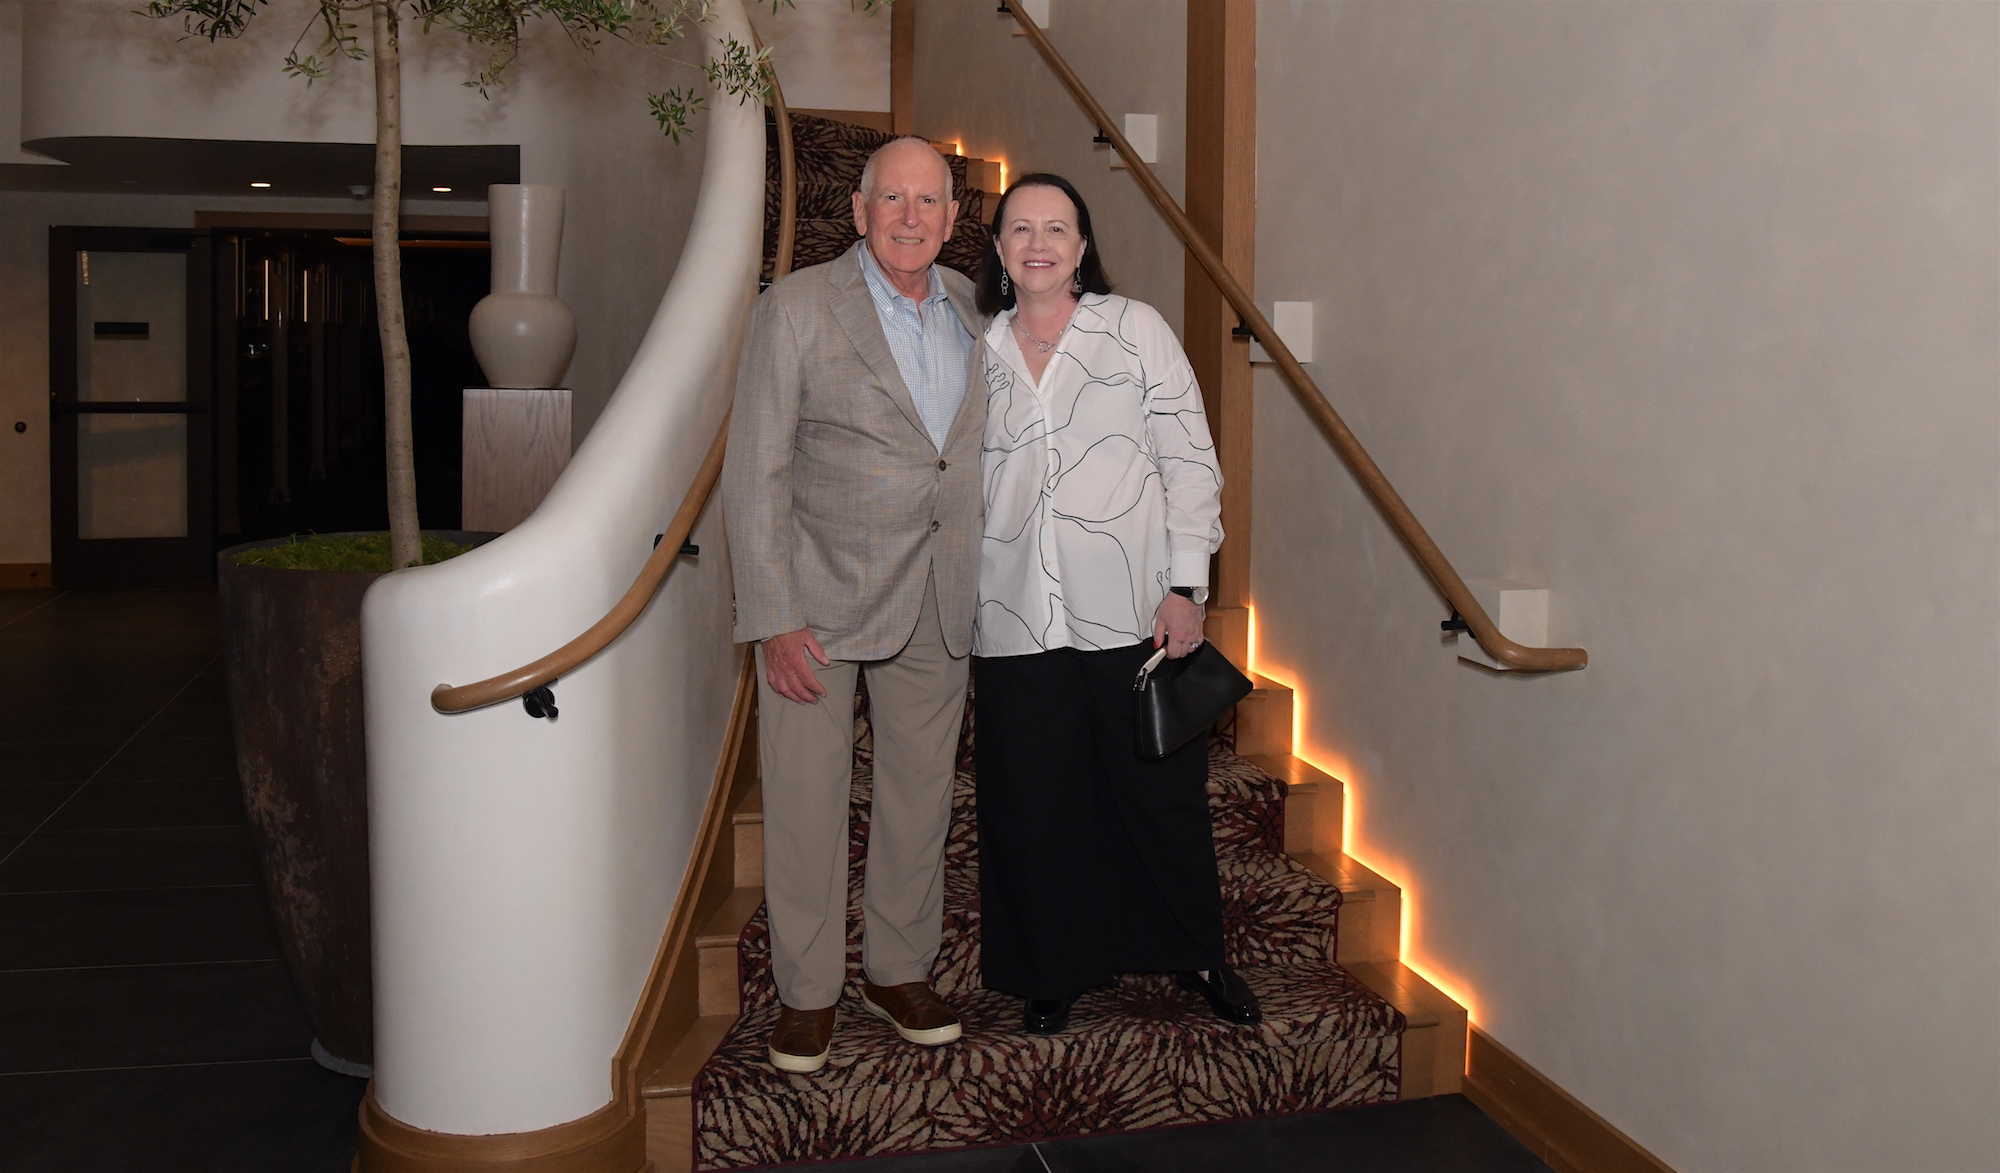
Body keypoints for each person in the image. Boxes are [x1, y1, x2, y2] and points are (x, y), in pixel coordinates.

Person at [970, 173, 1258, 1036]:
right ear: (998, 248)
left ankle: (1197, 953)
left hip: (1133, 609)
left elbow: (1188, 462)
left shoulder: (1134, 329)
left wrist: (1186, 585)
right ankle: (1051, 967)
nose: (1039, 244)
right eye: (1021, 228)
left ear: (1083, 245)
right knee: (1035, 801)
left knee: (1160, 795)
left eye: (1057, 228)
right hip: (1011, 614)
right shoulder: (976, 349)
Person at [722, 137, 986, 1074]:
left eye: (930, 201)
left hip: (938, 594)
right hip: (818, 604)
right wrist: (774, 615)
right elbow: (755, 468)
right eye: (894, 200)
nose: (912, 217)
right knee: (805, 799)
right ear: (860, 210)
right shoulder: (795, 307)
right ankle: (807, 991)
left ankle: (898, 970)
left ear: (953, 217)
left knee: (920, 796)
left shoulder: (973, 307)